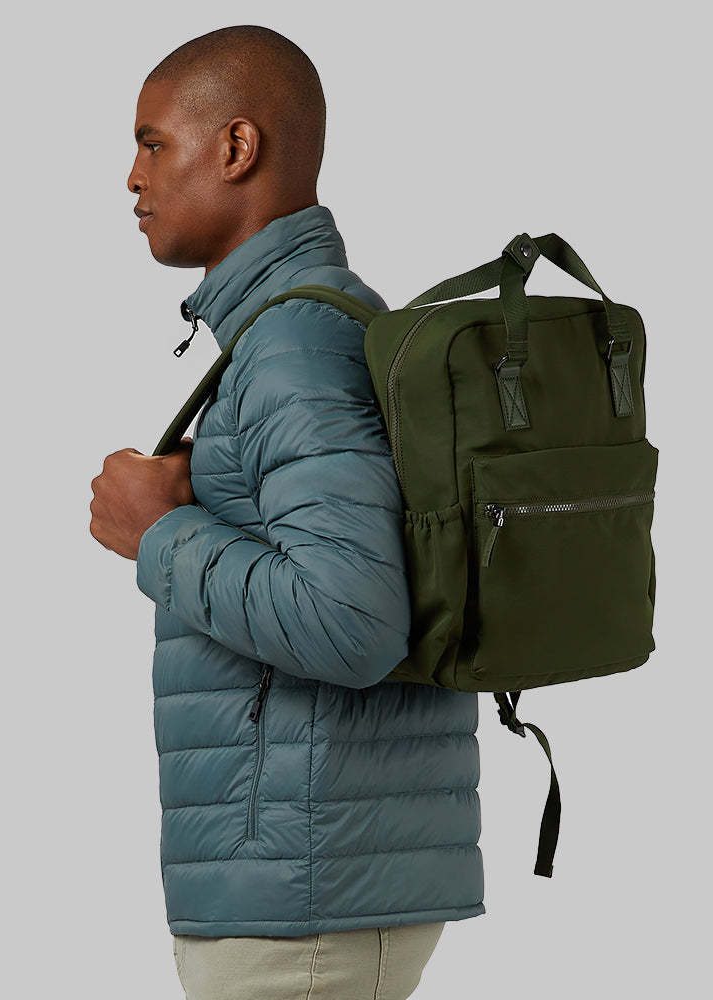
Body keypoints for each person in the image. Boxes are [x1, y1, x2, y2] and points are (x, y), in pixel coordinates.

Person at [89, 24, 484, 1000]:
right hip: (320, 880)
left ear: (236, 147)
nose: (132, 180)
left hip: (300, 904)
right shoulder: (315, 325)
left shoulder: (293, 344)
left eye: (152, 144)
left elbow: (352, 620)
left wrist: (158, 533)